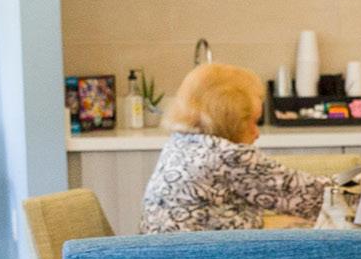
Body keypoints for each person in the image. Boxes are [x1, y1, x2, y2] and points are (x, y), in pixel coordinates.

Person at [137, 63, 336, 232]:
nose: (256, 133)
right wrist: (353, 185)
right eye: (252, 122)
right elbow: (312, 196)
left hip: (161, 257)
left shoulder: (181, 143)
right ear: (230, 120)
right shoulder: (227, 155)